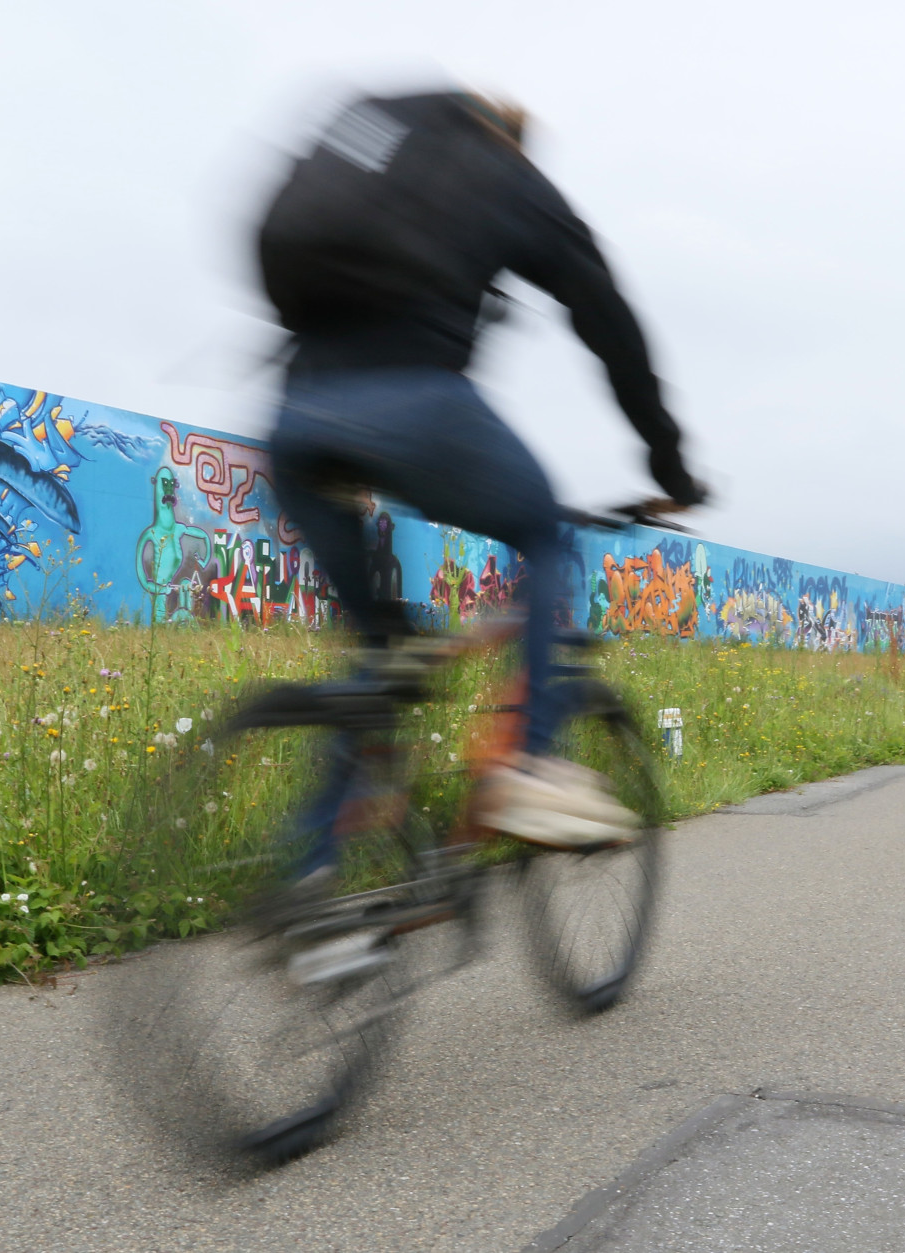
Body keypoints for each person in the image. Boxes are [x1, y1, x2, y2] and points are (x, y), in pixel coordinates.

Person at [259, 89, 705, 853]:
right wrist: (669, 461)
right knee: (542, 533)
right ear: (516, 140)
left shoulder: (376, 141)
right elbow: (608, 321)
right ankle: (527, 764)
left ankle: (307, 885)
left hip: (295, 417)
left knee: (381, 659)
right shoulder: (510, 176)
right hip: (418, 401)